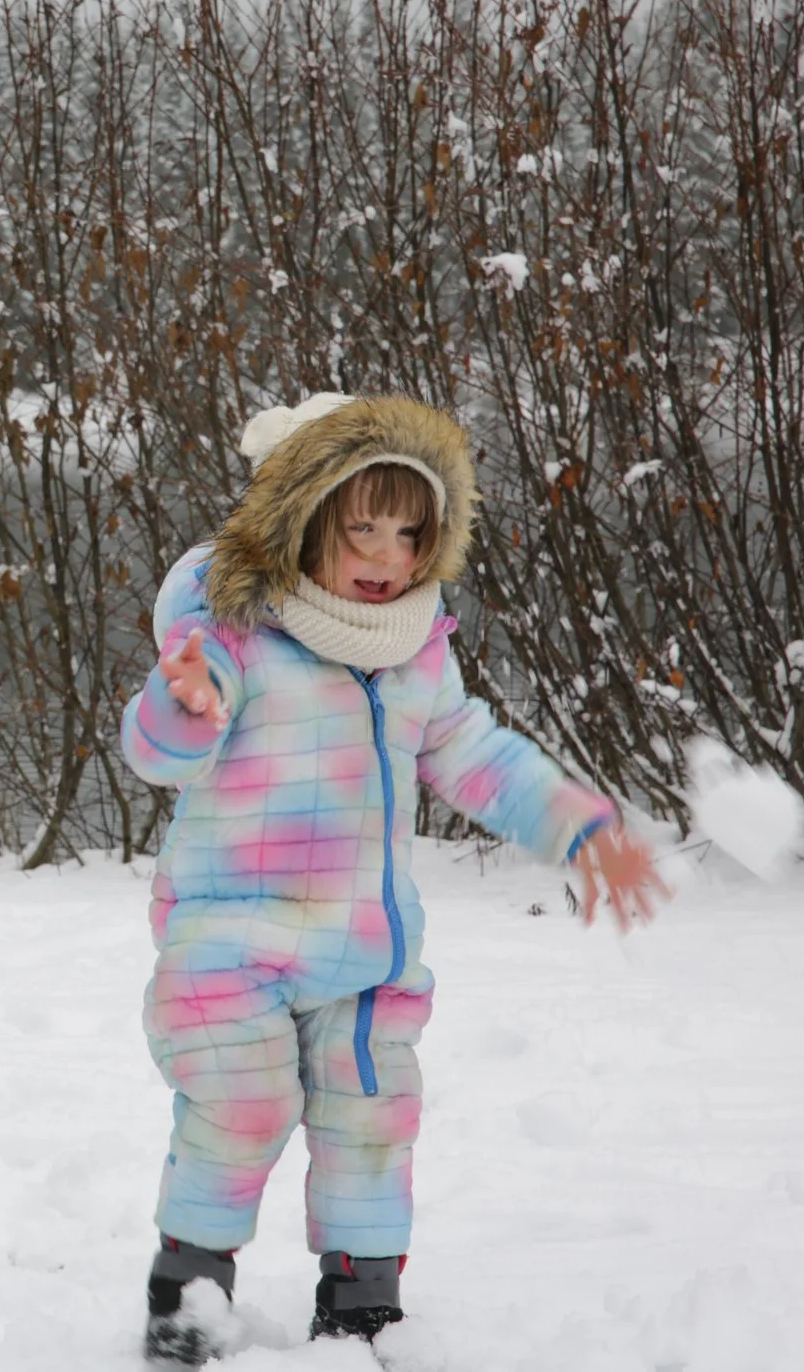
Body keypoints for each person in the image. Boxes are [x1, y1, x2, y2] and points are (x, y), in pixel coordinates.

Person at [120, 392, 667, 1362]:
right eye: (360, 528)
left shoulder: (416, 653)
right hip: (230, 946)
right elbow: (160, 751)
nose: (386, 554)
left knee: (373, 1114)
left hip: (365, 955)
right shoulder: (235, 633)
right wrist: (183, 704)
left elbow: (477, 756)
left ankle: (360, 1301)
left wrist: (577, 826)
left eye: (409, 531)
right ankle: (189, 1291)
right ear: (300, 523)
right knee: (243, 1104)